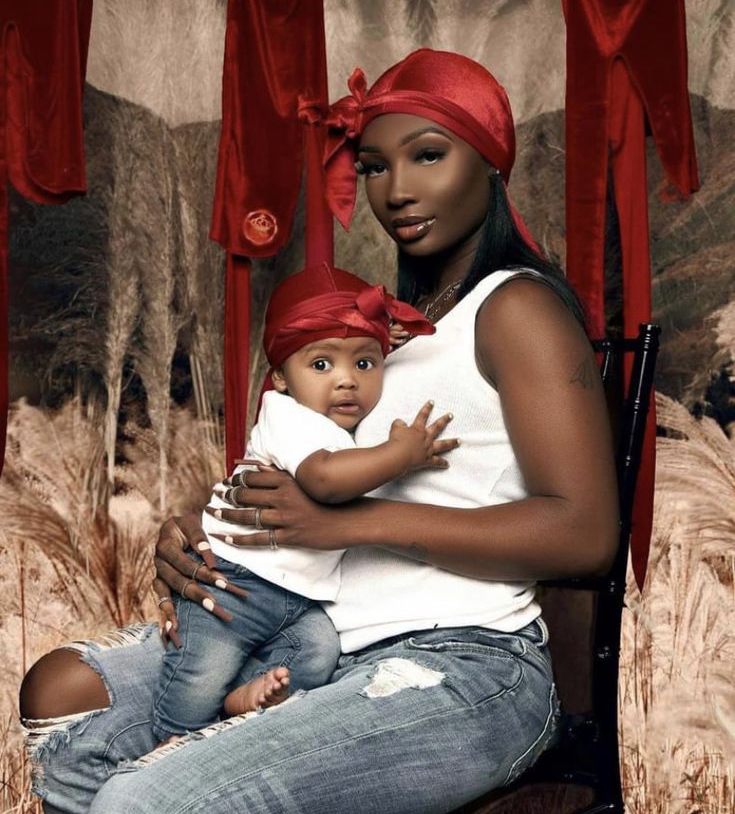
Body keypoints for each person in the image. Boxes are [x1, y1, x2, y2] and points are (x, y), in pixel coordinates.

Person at [20, 48, 619, 814]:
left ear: (489, 164)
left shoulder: (514, 308)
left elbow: (585, 532)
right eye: (373, 166)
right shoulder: (382, 329)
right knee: (65, 701)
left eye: (427, 156)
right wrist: (207, 524)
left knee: (145, 800)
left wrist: (349, 517)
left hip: (463, 664)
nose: (397, 189)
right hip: (317, 635)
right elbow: (309, 462)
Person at [153, 262, 450, 737]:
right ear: (281, 378)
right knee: (194, 678)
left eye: (364, 364)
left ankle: (241, 697)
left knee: (315, 654)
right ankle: (166, 749)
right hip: (235, 581)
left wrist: (379, 341)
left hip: (303, 600)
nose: (347, 380)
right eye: (320, 365)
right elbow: (325, 480)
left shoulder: (332, 422)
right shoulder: (288, 415)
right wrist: (401, 454)